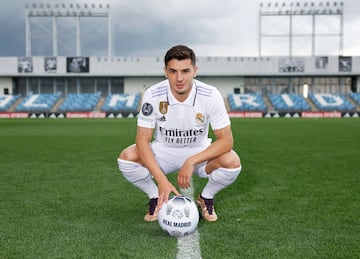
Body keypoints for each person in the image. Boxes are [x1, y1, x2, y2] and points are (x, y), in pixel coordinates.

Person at [117, 45, 241, 222]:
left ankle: (206, 197)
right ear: (165, 71)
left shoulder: (210, 94)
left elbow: (227, 141)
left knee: (232, 161)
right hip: (164, 151)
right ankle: (156, 198)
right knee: (126, 158)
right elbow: (142, 140)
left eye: (185, 71)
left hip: (199, 152)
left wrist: (191, 161)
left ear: (195, 71)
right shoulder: (153, 94)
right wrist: (161, 180)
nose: (179, 78)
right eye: (173, 71)